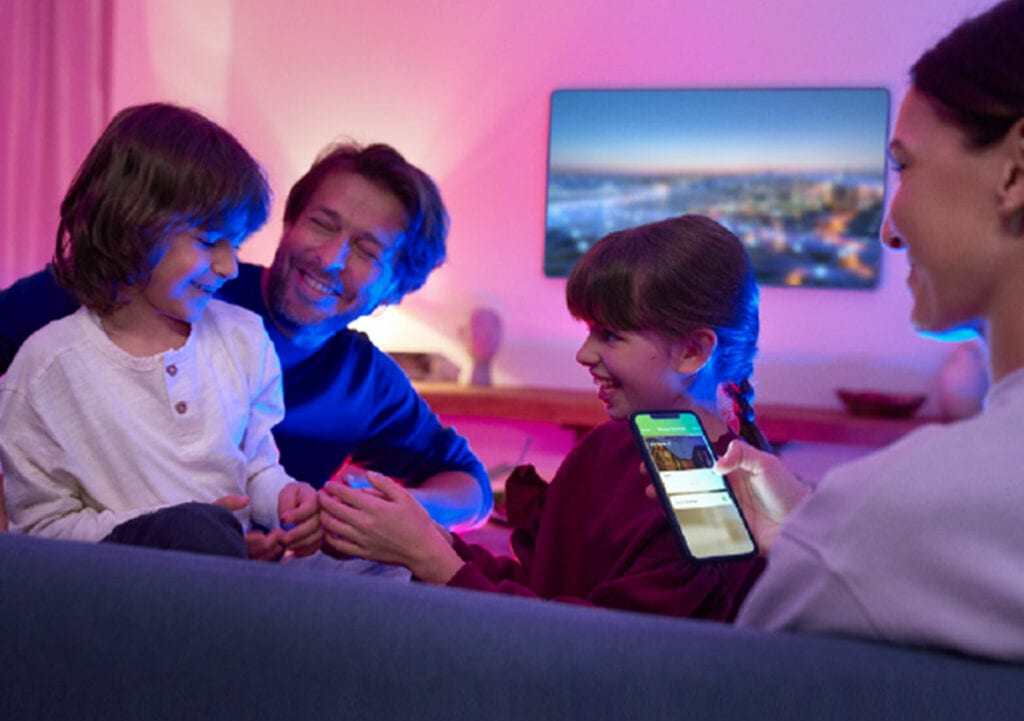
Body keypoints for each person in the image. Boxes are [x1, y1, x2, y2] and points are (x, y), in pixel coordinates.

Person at [700, 0, 1024, 662]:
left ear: (1016, 170)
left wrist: (832, 534)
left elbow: (737, 687)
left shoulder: (897, 516)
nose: (889, 230)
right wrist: (812, 529)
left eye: (904, 166)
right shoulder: (875, 528)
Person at [0, 140, 492, 553]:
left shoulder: (367, 383)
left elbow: (472, 488)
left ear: (396, 287)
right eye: (322, 223)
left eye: (367, 250)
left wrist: (378, 512)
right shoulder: (164, 286)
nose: (330, 257)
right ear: (289, 225)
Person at [317, 214, 767, 619]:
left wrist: (433, 560)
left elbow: (607, 650)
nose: (584, 353)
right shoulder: (610, 445)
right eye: (590, 331)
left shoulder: (717, 499)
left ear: (692, 351)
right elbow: (537, 590)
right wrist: (425, 539)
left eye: (610, 335)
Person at [0, 102, 320, 557]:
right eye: (210, 242)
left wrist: (284, 500)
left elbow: (256, 467)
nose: (231, 267)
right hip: (125, 595)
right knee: (195, 534)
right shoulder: (46, 368)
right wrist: (175, 532)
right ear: (132, 229)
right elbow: (42, 529)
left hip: (237, 578)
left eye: (238, 244)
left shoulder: (244, 339)